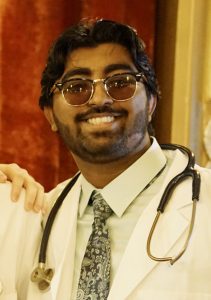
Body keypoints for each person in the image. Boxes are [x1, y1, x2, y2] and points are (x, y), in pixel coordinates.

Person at [1, 19, 211, 299]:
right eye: (77, 87)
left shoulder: (204, 204)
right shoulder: (35, 216)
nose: (100, 98)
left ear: (151, 102)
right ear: (50, 114)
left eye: (120, 82)